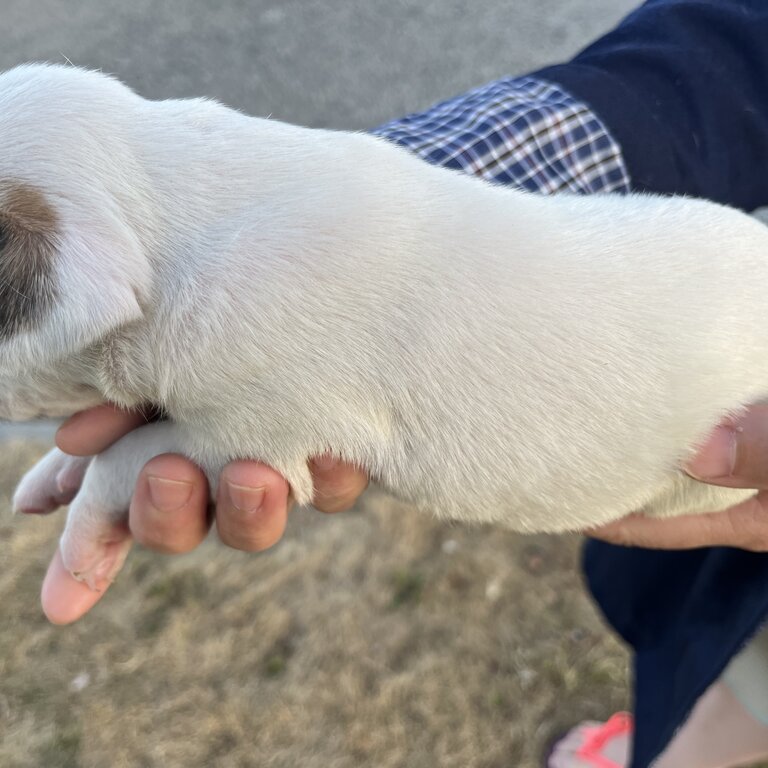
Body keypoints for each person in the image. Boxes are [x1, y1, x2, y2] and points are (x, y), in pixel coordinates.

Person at [34, 1, 768, 766]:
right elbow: (730, 48)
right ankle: (680, 744)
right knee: (734, 663)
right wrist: (356, 220)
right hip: (702, 380)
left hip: (701, 390)